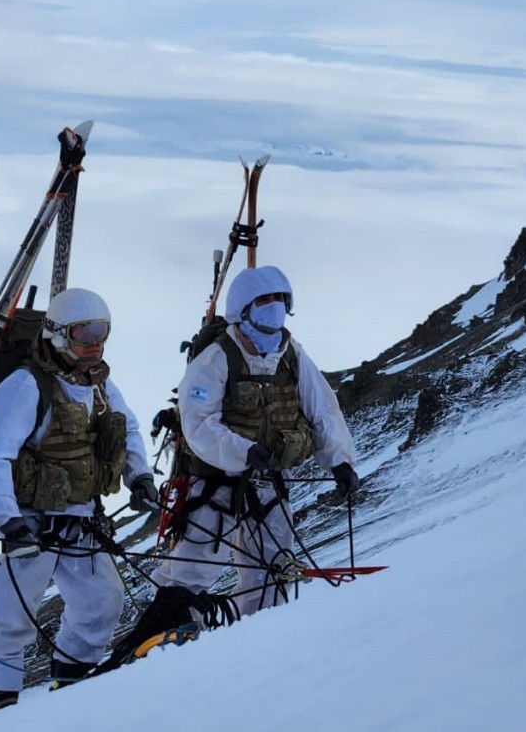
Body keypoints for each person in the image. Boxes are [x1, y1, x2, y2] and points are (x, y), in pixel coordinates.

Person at [119, 265, 360, 653]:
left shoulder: (293, 355)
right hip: (214, 482)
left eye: (281, 300)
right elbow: (198, 423)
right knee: (195, 561)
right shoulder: (216, 358)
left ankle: (258, 646)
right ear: (242, 309)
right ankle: (152, 639)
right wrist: (242, 450)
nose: (275, 308)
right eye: (265, 300)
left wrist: (340, 462)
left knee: (273, 563)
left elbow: (323, 412)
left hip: (268, 482)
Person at [0, 287, 159, 711]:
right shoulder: (24, 385)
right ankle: (1, 707)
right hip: (31, 521)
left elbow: (126, 429)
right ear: (57, 334)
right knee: (10, 618)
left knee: (102, 602)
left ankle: (73, 689)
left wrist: (141, 476)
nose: (96, 342)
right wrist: (8, 520)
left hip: (83, 518)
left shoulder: (100, 384)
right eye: (85, 332)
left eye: (103, 331)